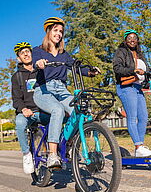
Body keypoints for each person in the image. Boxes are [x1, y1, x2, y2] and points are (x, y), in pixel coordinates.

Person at [32, 17, 100, 168]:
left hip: (61, 89)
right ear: (49, 31)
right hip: (43, 89)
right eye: (55, 30)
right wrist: (39, 63)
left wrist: (89, 71)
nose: (59, 34)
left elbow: (76, 66)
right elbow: (35, 61)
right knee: (57, 110)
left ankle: (68, 144)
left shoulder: (64, 54)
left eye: (61, 31)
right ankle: (52, 154)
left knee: (79, 111)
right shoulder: (38, 50)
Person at [113, 29, 151, 157]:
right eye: (129, 38)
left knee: (143, 117)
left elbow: (146, 69)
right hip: (126, 87)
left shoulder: (139, 54)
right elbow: (117, 68)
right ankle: (138, 145)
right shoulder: (121, 52)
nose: (132, 40)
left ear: (137, 41)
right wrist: (133, 70)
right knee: (132, 117)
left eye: (134, 38)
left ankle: (139, 148)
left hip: (137, 87)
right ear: (125, 40)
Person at [11, 41, 51, 174]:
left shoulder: (41, 71)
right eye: (22, 53)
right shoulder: (17, 76)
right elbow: (16, 99)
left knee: (60, 118)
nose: (26, 54)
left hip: (42, 111)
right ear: (19, 58)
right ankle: (27, 154)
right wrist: (23, 109)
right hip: (27, 113)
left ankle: (61, 151)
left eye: (28, 51)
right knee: (20, 122)